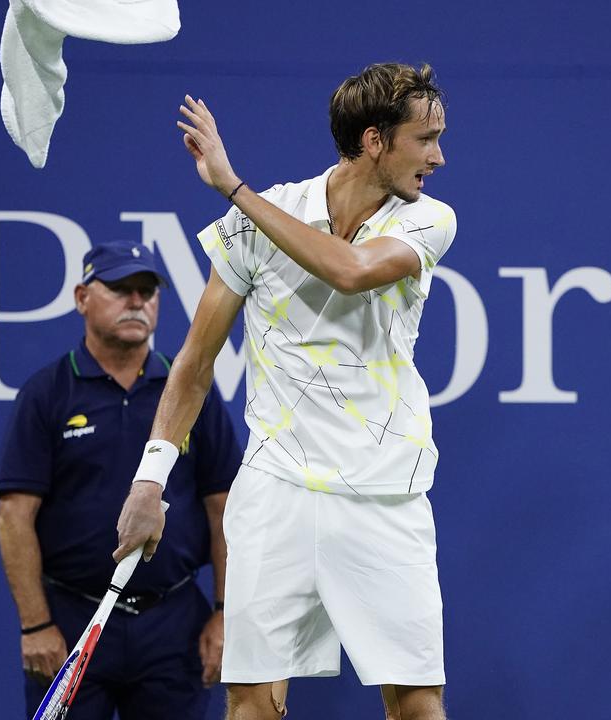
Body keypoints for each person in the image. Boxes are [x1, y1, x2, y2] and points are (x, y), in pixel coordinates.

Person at [112, 62, 456, 720]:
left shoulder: (429, 219)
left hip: (385, 496)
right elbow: (194, 361)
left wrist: (232, 188)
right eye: (425, 139)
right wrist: (150, 480)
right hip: (277, 493)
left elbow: (353, 271)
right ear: (375, 140)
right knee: (253, 704)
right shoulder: (258, 222)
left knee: (416, 704)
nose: (439, 157)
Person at [0, 241, 242, 720]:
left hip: (173, 622)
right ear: (82, 297)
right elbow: (14, 516)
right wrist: (35, 624)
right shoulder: (47, 393)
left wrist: (225, 610)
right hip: (72, 619)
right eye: (120, 288)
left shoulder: (188, 390)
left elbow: (224, 506)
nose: (136, 301)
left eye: (147, 290)